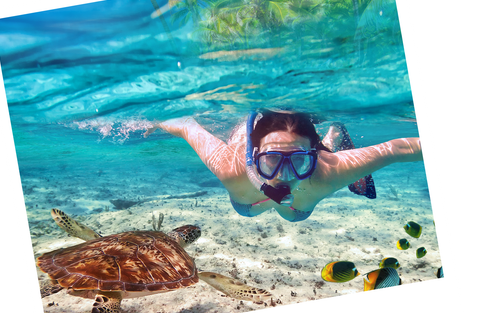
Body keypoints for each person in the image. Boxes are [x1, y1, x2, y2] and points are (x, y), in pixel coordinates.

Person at [145, 110, 422, 222]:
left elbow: (398, 150)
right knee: (275, 211)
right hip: (247, 157)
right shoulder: (232, 167)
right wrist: (156, 123)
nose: (285, 176)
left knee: (292, 215)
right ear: (254, 157)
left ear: (313, 157)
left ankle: (334, 133)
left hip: (294, 209)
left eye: (300, 160)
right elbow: (186, 125)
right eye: (272, 159)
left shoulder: (327, 171)